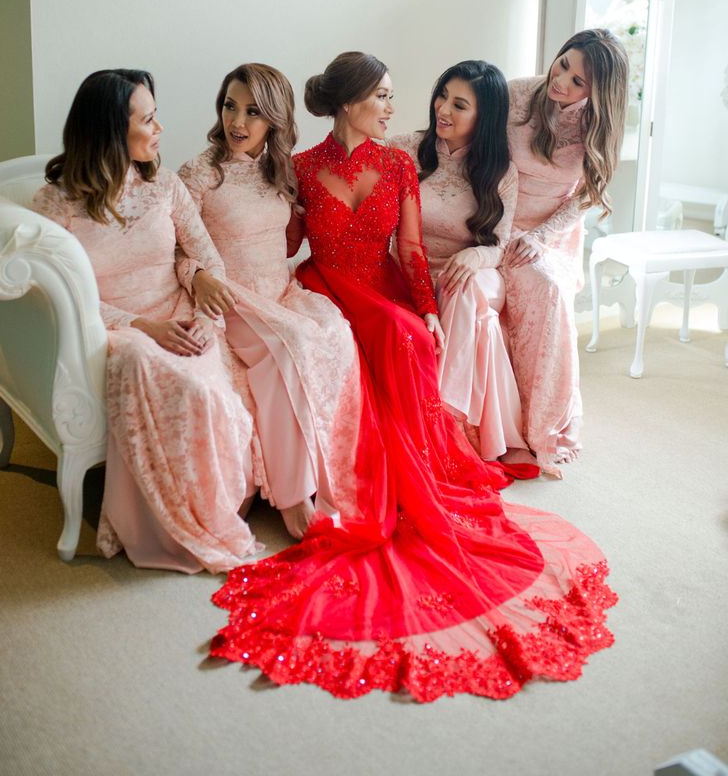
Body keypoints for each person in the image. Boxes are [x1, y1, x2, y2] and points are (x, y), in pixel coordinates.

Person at [209, 51, 617, 702]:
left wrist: (426, 310)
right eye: (385, 97)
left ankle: (404, 465)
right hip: (324, 283)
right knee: (346, 337)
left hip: (383, 284)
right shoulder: (304, 166)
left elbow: (412, 250)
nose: (399, 109)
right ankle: (329, 480)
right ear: (351, 104)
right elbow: (286, 244)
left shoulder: (398, 163)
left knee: (405, 337)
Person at [33, 69, 258, 573]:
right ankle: (165, 524)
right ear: (112, 130)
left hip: (178, 311)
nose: (160, 129)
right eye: (149, 118)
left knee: (208, 384)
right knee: (157, 370)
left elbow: (208, 258)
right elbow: (60, 299)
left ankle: (212, 509)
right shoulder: (57, 203)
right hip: (113, 328)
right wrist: (138, 325)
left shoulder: (166, 185)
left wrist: (203, 313)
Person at [178, 63, 361, 541]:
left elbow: (285, 243)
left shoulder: (281, 170)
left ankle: (328, 480)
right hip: (232, 295)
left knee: (338, 332)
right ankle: (292, 496)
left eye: (253, 112)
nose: (237, 122)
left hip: (278, 289)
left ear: (275, 119)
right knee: (291, 345)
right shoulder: (199, 173)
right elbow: (172, 248)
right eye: (230, 106)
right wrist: (196, 276)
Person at [502, 29, 628, 477]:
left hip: (549, 232)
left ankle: (542, 425)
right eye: (563, 64)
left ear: (596, 93)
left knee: (546, 290)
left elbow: (583, 199)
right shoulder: (518, 93)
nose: (562, 81)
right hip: (497, 217)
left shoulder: (598, 125)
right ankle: (498, 424)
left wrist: (540, 237)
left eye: (578, 81)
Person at [391, 60, 528, 462]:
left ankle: (442, 416)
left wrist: (475, 254)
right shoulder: (402, 148)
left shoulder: (501, 172)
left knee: (463, 286)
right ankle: (445, 422)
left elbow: (499, 244)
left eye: (460, 105)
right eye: (442, 95)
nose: (443, 110)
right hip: (410, 269)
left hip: (474, 271)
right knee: (460, 296)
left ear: (484, 117)